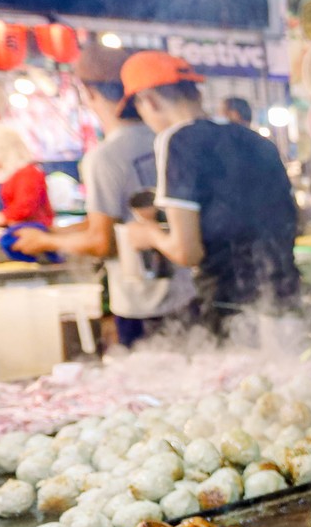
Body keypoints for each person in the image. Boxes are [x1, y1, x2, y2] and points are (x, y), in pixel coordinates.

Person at [11, 43, 196, 345]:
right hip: (189, 292)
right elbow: (112, 220)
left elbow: (102, 241)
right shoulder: (168, 138)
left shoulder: (105, 156)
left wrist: (45, 242)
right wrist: (53, 231)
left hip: (143, 303)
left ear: (89, 93)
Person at [117, 50, 300, 326]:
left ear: (150, 101)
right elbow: (294, 219)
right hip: (287, 298)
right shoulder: (255, 140)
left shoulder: (176, 140)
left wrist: (150, 234)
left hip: (229, 308)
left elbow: (187, 251)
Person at [0, 125, 52, 226]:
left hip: (28, 231)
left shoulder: (29, 173)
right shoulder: (4, 173)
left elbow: (23, 208)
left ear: (1, 152)